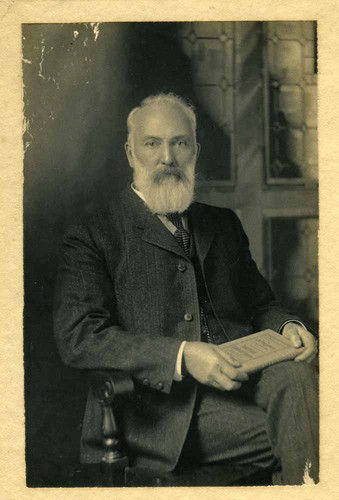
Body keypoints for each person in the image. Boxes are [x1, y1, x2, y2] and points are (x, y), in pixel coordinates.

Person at [53, 93, 319, 485]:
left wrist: (287, 325)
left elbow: (260, 303)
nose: (167, 158)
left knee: (298, 382)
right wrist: (182, 355)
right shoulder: (94, 234)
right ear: (130, 153)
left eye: (179, 143)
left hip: (244, 380)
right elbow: (79, 337)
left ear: (194, 149)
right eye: (152, 144)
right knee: (313, 428)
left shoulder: (222, 223)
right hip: (164, 412)